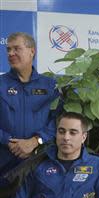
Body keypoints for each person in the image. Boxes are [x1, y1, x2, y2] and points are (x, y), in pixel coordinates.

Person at [0, 32, 59, 187]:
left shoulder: (50, 86)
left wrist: (36, 141)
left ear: (32, 51)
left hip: (40, 164)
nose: (11, 53)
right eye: (8, 50)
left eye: (16, 48)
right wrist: (8, 141)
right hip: (3, 165)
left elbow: (58, 120)